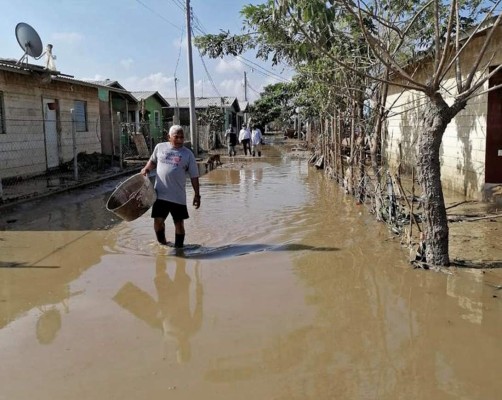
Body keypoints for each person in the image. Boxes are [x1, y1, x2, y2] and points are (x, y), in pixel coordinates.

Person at [141, 125, 200, 248]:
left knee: (179, 223)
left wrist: (197, 195)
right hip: (160, 194)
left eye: (182, 137)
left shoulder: (188, 154)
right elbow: (153, 161)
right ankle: (162, 244)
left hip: (178, 196)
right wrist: (146, 168)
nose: (179, 140)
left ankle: (179, 249)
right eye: (176, 137)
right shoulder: (160, 147)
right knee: (158, 221)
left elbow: (194, 176)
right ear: (169, 137)